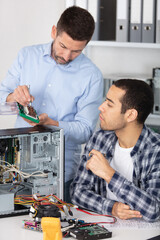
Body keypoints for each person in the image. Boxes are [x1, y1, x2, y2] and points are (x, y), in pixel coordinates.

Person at [0, 6, 103, 202]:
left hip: (60, 174)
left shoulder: (92, 76)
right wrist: (13, 97)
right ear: (54, 31)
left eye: (76, 51)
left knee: (54, 229)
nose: (66, 56)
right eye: (63, 46)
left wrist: (53, 124)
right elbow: (1, 99)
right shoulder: (26, 56)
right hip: (16, 168)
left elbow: (85, 131)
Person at [70, 79, 160, 222]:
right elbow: (77, 192)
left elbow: (153, 210)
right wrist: (111, 208)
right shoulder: (99, 139)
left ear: (131, 115)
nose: (101, 107)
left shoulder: (156, 150)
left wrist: (109, 174)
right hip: (106, 227)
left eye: (109, 104)